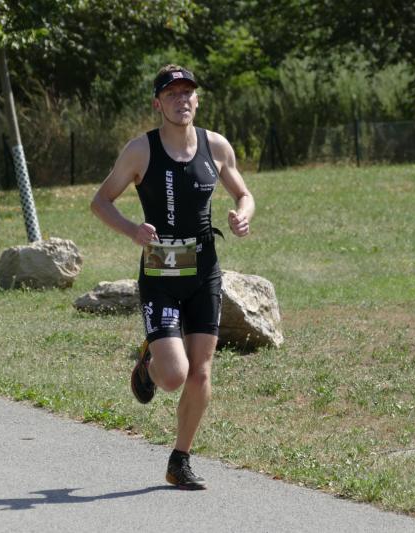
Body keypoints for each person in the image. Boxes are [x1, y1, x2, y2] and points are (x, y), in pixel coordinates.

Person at [90, 65, 254, 490]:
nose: (182, 100)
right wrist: (132, 230)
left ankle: (179, 460)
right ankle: (149, 363)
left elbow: (243, 193)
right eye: (172, 94)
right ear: (157, 103)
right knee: (174, 376)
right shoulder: (140, 151)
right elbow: (101, 201)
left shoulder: (216, 146)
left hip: (204, 273)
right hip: (160, 274)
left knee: (201, 372)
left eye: (188, 93)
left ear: (196, 100)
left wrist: (243, 215)